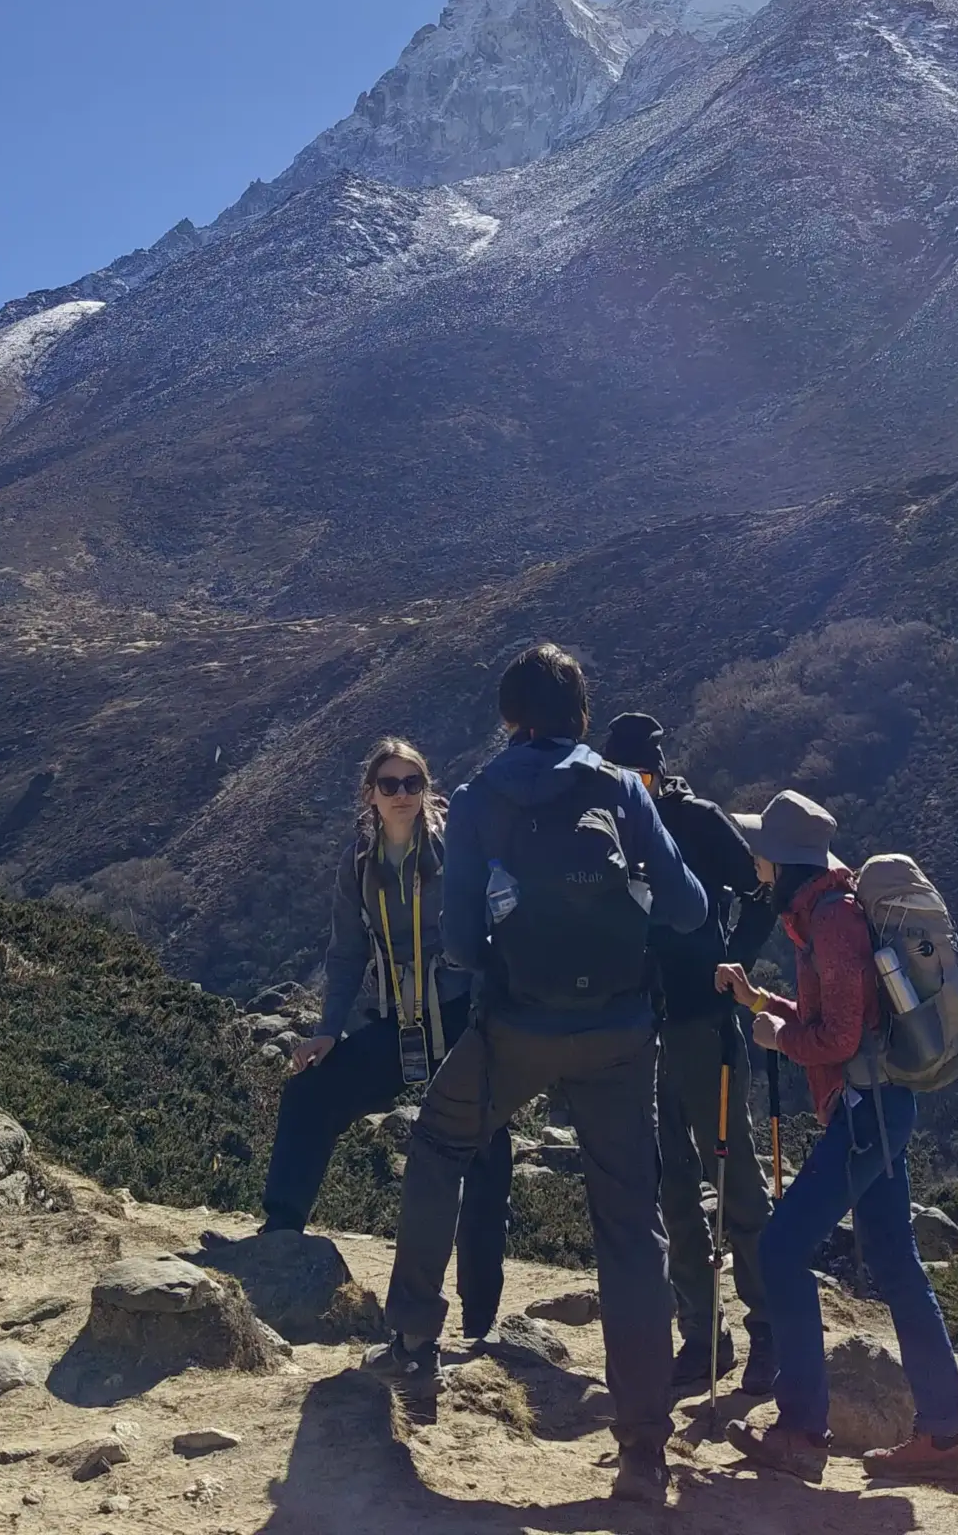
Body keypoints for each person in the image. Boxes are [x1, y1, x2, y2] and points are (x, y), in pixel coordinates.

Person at [375, 643, 707, 1511]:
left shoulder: (482, 795)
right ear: (581, 714)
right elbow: (688, 910)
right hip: (621, 1037)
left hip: (517, 1026)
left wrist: (506, 969)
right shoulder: (624, 791)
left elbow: (454, 943)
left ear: (511, 715)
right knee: (631, 1230)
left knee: (441, 1141)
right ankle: (641, 1449)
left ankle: (412, 1337)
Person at [715, 790, 958, 1488]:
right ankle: (943, 1438)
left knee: (781, 1249)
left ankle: (801, 1431)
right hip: (880, 1110)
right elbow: (838, 1017)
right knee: (894, 1260)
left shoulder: (830, 922)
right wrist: (762, 1003)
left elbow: (837, 1036)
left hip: (863, 1116)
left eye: (763, 857)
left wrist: (778, 1037)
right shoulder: (828, 910)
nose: (758, 868)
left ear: (788, 863)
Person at [259, 736, 512, 1338]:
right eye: (390, 784)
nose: (402, 795)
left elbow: (496, 935)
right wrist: (326, 1032)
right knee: (310, 1094)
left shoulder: (458, 851)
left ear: (427, 789)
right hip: (395, 1019)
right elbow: (345, 953)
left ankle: (480, 1316)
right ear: (370, 794)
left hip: (458, 1017)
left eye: (413, 784)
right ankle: (279, 1239)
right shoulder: (359, 862)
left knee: (485, 1151)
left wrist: (491, 1026)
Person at [599, 711, 777, 1397]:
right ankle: (702, 1334)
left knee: (735, 1180)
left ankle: (769, 1333)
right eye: (623, 774)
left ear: (660, 769)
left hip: (704, 1022)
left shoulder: (697, 818)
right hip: (641, 1025)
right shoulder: (606, 825)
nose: (634, 786)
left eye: (642, 773)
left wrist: (735, 960)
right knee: (672, 1186)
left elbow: (761, 891)